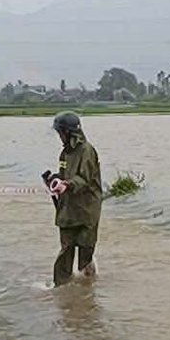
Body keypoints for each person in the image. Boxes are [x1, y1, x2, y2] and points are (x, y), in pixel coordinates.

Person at [48, 112, 102, 286]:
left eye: (60, 133)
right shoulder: (65, 153)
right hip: (68, 208)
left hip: (87, 207)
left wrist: (68, 185)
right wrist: (55, 180)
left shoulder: (87, 151)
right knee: (66, 249)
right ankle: (61, 286)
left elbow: (84, 178)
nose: (59, 137)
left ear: (68, 132)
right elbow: (64, 174)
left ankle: (88, 288)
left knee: (86, 248)